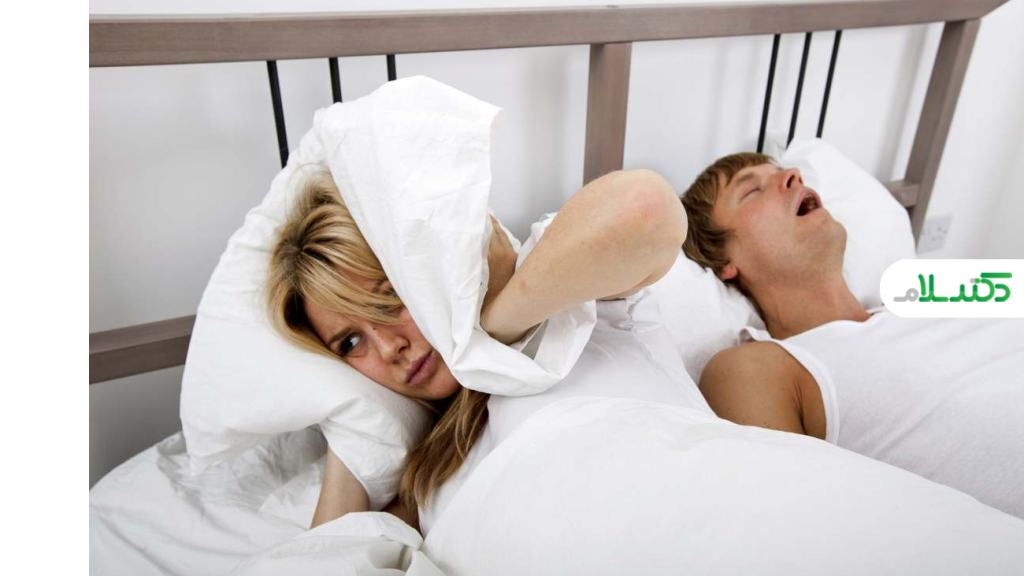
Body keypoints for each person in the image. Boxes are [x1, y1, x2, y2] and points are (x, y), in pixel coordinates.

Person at [266, 165, 690, 530]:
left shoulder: (556, 283)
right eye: (350, 342)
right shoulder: (424, 475)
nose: (390, 347)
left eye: (388, 298)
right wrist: (350, 428)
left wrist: (493, 330)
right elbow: (331, 556)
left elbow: (645, 207)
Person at [679, 152, 1024, 518]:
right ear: (725, 263)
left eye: (783, 171)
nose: (794, 175)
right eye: (752, 191)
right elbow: (787, 521)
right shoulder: (762, 366)